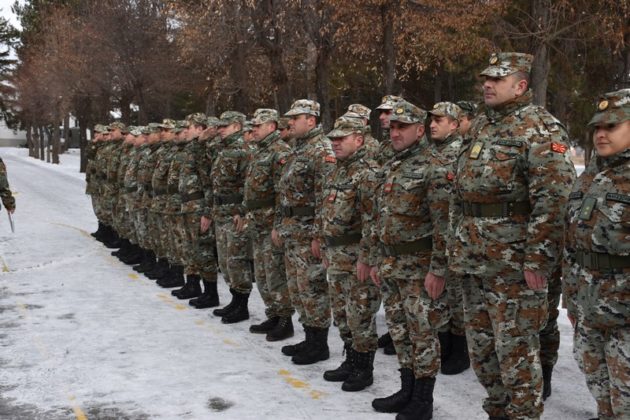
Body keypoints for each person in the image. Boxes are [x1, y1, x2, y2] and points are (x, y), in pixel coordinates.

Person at [449, 52, 576, 420]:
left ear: (520, 85)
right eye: (486, 78)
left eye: (497, 79)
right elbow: (462, 194)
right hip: (474, 261)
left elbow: (554, 199)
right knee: (484, 354)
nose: (487, 84)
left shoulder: (539, 128)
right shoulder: (481, 127)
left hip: (514, 269)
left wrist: (538, 259)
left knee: (516, 357)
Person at [368, 99, 450, 420]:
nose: (395, 131)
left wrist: (438, 270)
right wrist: (377, 259)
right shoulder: (393, 164)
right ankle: (407, 388)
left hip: (419, 269)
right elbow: (382, 218)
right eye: (393, 126)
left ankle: (423, 400)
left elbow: (444, 225)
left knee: (422, 333)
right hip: (391, 266)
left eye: (403, 127)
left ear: (420, 130)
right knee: (399, 331)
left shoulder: (434, 167)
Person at [563, 88, 630, 420]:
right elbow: (572, 243)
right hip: (590, 306)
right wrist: (571, 298)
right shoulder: (589, 176)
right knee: (599, 387)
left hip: (625, 315)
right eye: (597, 128)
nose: (601, 134)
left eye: (612, 126)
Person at [271, 99, 336, 365]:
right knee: (299, 289)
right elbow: (284, 193)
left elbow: (326, 196)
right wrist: (278, 224)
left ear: (310, 120)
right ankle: (309, 337)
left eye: (295, 118)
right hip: (292, 232)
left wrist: (319, 236)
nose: (290, 122)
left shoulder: (321, 150)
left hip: (308, 233)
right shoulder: (298, 148)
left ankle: (319, 344)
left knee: (313, 289)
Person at [321, 116, 381, 391]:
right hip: (336, 254)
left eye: (341, 139)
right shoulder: (336, 171)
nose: (335, 143)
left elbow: (373, 221)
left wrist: (367, 259)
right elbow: (328, 214)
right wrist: (325, 247)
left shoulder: (368, 172)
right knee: (342, 314)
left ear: (358, 140)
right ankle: (350, 359)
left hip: (356, 255)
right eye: (332, 139)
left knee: (360, 315)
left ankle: (363, 368)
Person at [241, 108, 294, 341]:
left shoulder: (279, 152)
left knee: (275, 274)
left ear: (271, 126)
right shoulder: (258, 151)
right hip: (257, 222)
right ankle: (273, 313)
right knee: (262, 274)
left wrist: (278, 224)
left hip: (270, 222)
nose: (253, 130)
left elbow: (283, 193)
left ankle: (285, 319)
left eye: (257, 126)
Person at [427, 102, 470, 375]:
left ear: (454, 124)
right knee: (438, 297)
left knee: (456, 297)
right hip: (432, 235)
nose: (432, 124)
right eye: (431, 120)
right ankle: (444, 345)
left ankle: (460, 349)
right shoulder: (432, 152)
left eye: (439, 120)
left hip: (453, 237)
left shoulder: (459, 153)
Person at [210, 111, 253, 324]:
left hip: (235, 215)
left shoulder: (243, 150)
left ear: (237, 126)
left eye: (224, 126)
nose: (219, 130)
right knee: (226, 262)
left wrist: (243, 212)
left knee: (237, 261)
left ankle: (242, 305)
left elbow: (250, 184)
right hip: (222, 213)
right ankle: (235, 300)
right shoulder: (223, 149)